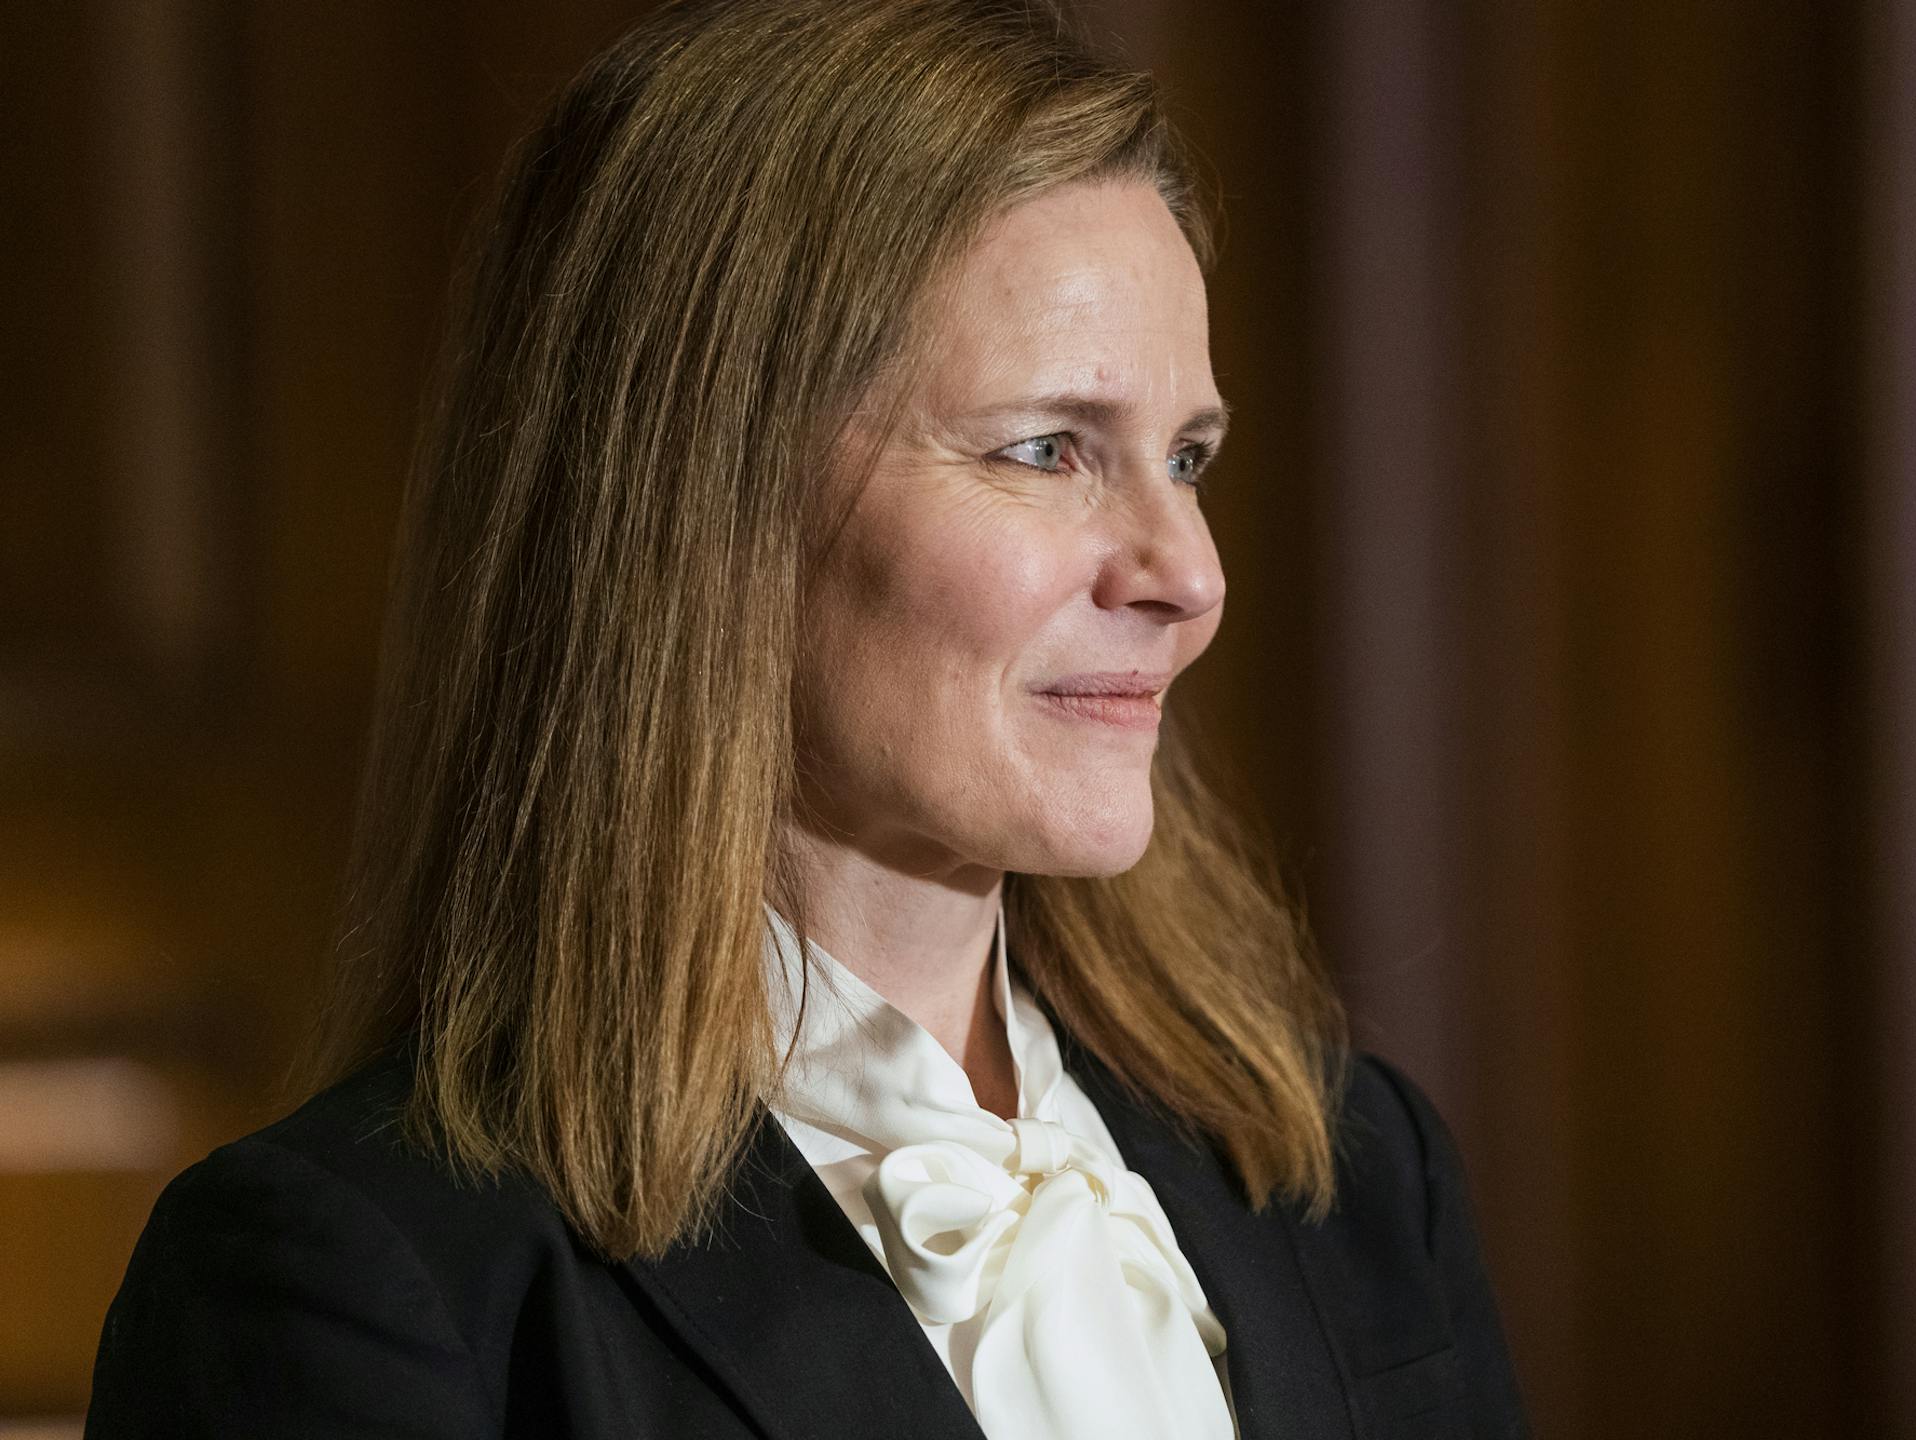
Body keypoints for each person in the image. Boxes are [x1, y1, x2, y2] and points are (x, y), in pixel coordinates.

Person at [85, 1, 1527, 1436]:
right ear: (701, 498)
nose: (1189, 576)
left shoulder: (1351, 1177)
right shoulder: (356, 1289)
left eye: (1188, 457)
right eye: (1047, 449)